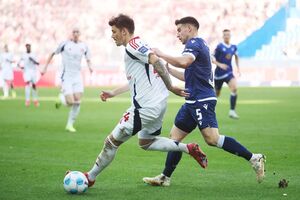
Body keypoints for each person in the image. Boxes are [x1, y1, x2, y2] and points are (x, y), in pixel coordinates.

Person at [82, 14, 208, 187]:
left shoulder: (133, 45)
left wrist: (171, 87)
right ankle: (188, 148)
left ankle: (89, 177)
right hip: (157, 106)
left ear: (124, 31)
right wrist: (114, 93)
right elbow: (137, 78)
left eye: (114, 31)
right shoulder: (139, 47)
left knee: (111, 142)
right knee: (146, 142)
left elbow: (156, 60)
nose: (112, 35)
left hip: (144, 108)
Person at [143, 17, 265, 186]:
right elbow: (188, 76)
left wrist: (161, 53)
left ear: (190, 28)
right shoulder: (198, 46)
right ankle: (165, 177)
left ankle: (254, 158)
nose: (177, 34)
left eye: (179, 30)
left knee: (212, 139)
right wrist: (168, 69)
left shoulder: (194, 43)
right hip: (192, 99)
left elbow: (184, 62)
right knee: (174, 139)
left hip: (202, 99)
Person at [42, 28, 93, 132]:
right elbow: (52, 53)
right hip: (66, 76)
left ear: (80, 34)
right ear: (71, 34)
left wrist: (90, 67)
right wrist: (45, 67)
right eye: (73, 32)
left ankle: (70, 125)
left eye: (77, 32)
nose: (75, 34)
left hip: (77, 76)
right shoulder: (64, 44)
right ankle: (61, 98)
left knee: (77, 101)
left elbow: (88, 58)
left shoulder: (84, 46)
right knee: (70, 102)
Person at [212, 29, 240, 119]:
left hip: (229, 72)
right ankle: (211, 110)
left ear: (230, 36)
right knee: (216, 94)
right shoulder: (219, 46)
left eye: (228, 35)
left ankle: (232, 111)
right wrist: (220, 65)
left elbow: (236, 57)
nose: (227, 36)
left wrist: (238, 68)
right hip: (219, 74)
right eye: (225, 35)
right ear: (223, 36)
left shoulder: (234, 47)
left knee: (234, 88)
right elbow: (212, 58)